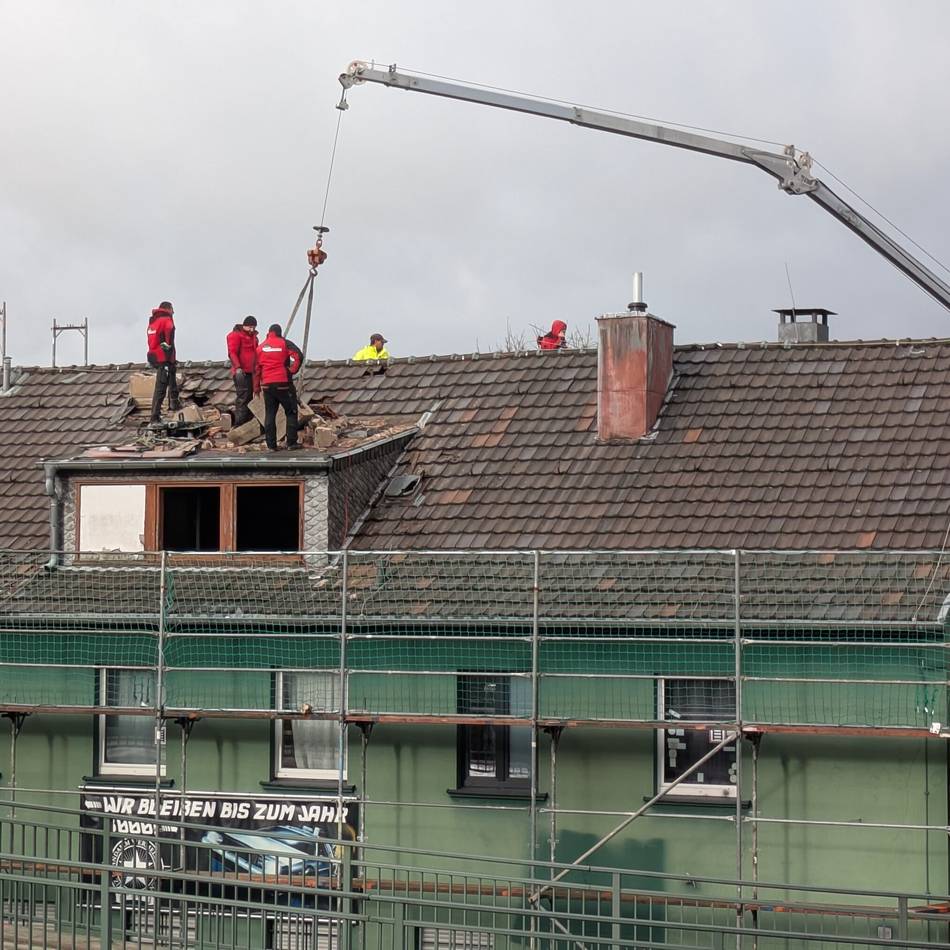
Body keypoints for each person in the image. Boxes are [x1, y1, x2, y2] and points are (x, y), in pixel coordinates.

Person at [254, 323, 302, 451]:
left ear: (269, 333)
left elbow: (256, 369)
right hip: (283, 383)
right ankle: (291, 443)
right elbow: (298, 356)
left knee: (270, 413)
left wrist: (256, 388)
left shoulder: (260, 347)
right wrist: (292, 370)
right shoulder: (284, 343)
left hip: (267, 385)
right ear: (279, 333)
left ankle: (271, 445)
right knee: (291, 412)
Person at [146, 301, 180, 422]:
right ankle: (155, 416)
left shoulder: (153, 321)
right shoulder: (167, 320)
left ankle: (174, 403)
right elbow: (168, 340)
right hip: (163, 358)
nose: (173, 312)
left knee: (170, 380)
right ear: (168, 309)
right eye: (172, 309)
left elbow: (154, 341)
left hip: (153, 355)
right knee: (161, 387)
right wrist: (169, 357)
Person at [226, 315, 259, 426]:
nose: (252, 329)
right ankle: (240, 423)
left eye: (253, 327)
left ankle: (248, 423)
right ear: (244, 326)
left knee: (250, 397)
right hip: (241, 372)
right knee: (243, 397)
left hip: (252, 372)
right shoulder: (235, 335)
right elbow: (232, 352)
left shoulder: (254, 338)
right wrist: (238, 367)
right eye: (250, 327)